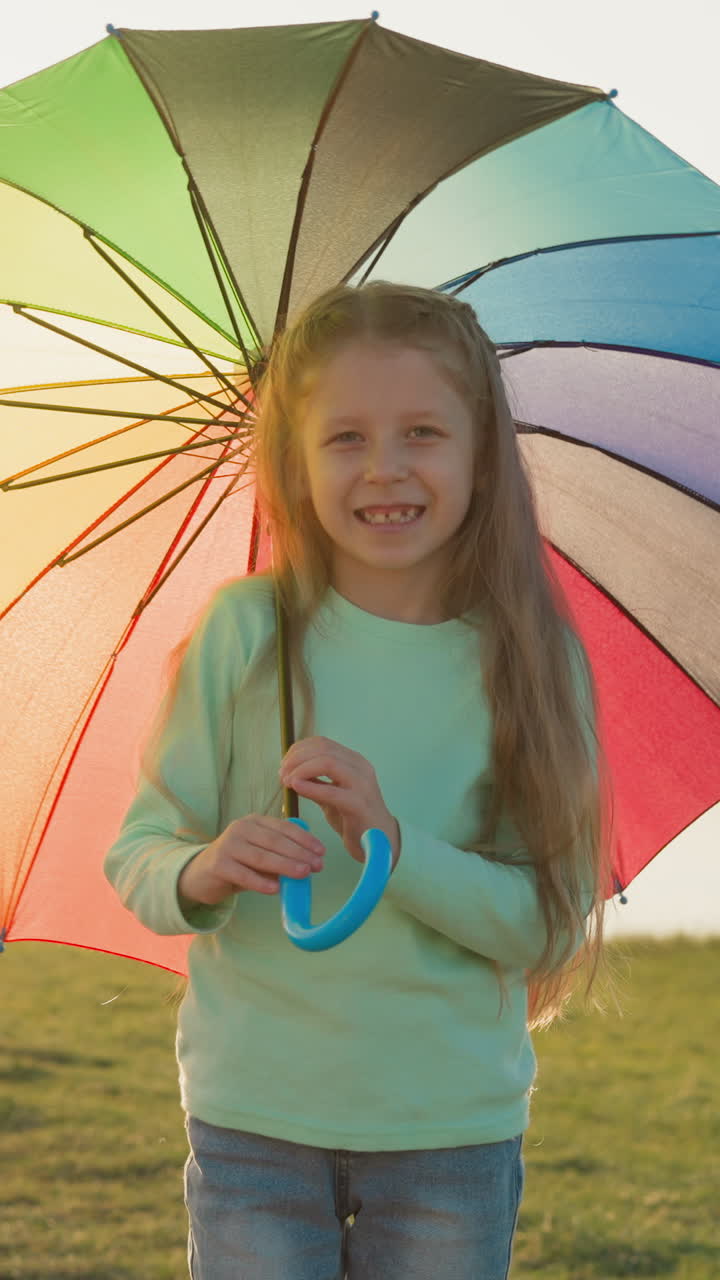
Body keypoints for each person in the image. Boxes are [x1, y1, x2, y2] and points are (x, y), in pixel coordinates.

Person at [104, 281, 610, 1280]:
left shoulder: (526, 657)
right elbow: (139, 853)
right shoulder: (245, 634)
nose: (385, 467)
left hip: (447, 1132)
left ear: (479, 454)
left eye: (422, 431)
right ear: (294, 458)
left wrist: (392, 842)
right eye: (345, 437)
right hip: (254, 1119)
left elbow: (548, 920)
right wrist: (206, 864)